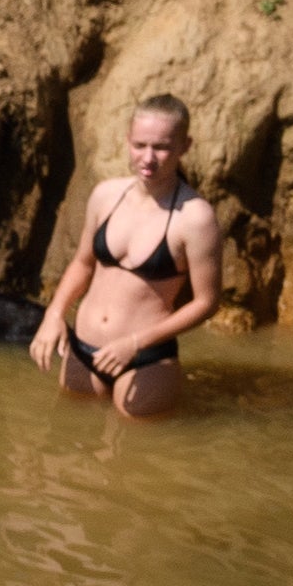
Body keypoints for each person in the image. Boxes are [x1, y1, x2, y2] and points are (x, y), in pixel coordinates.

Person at [30, 93, 224, 420]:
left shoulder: (195, 218)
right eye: (139, 145)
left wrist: (134, 343)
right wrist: (54, 314)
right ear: (127, 141)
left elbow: (206, 303)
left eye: (161, 147)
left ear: (184, 145)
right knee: (65, 439)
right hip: (83, 347)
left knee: (130, 454)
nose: (148, 158)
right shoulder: (106, 195)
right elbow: (83, 263)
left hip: (145, 357)